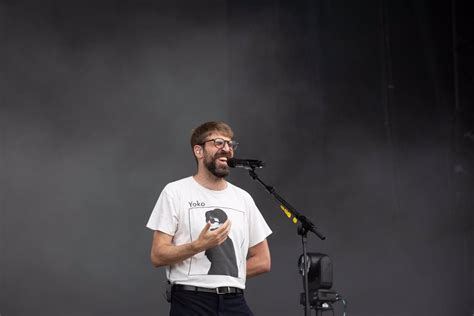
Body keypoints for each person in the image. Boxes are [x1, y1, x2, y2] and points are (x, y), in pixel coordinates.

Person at [146, 121, 272, 316]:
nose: (227, 149)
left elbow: (263, 260)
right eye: (219, 143)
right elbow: (158, 255)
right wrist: (198, 246)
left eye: (230, 145)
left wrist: (224, 272)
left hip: (234, 302)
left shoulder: (243, 198)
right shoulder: (175, 192)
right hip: (191, 302)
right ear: (199, 151)